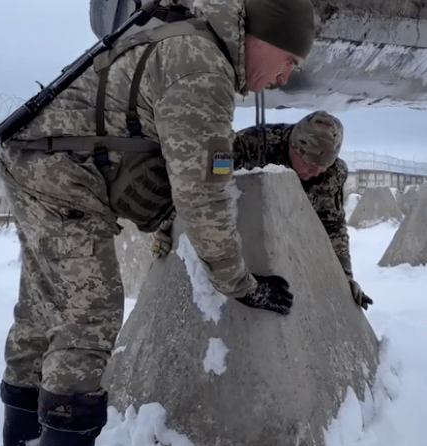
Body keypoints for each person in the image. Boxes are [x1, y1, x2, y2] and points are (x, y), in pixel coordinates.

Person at [0, 0, 315, 446]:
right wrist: (240, 284)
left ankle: (25, 443)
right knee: (91, 313)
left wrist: (162, 227)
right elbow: (204, 194)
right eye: (287, 59)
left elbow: (169, 163)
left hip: (39, 158)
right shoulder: (204, 69)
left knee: (44, 306)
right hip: (62, 175)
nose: (286, 76)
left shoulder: (193, 44)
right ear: (261, 38)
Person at [152, 110, 374, 310]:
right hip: (233, 249)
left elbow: (333, 225)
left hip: (292, 255)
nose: (314, 173)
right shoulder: (251, 145)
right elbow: (198, 179)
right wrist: (163, 228)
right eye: (309, 164)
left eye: (321, 168)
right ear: (294, 147)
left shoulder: (333, 174)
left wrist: (344, 278)